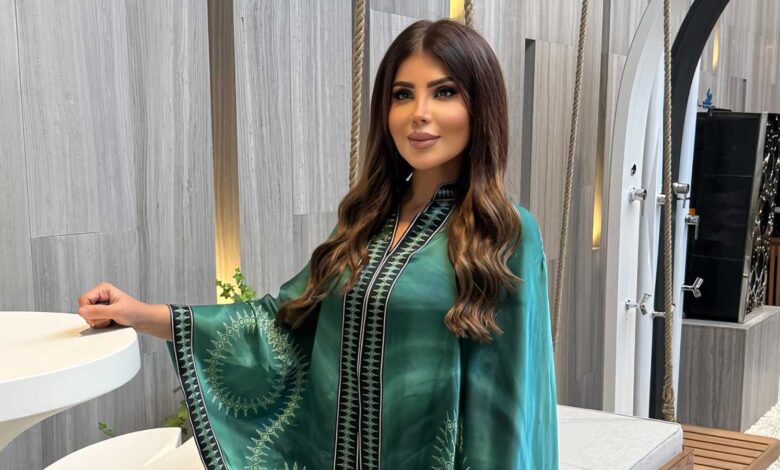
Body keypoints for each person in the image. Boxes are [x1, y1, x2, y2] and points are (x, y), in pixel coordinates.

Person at [77, 18, 558, 470]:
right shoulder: (367, 220)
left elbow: (510, 402)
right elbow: (283, 321)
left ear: (480, 105)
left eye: (444, 92)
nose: (419, 114)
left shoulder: (504, 231)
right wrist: (141, 314)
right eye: (402, 95)